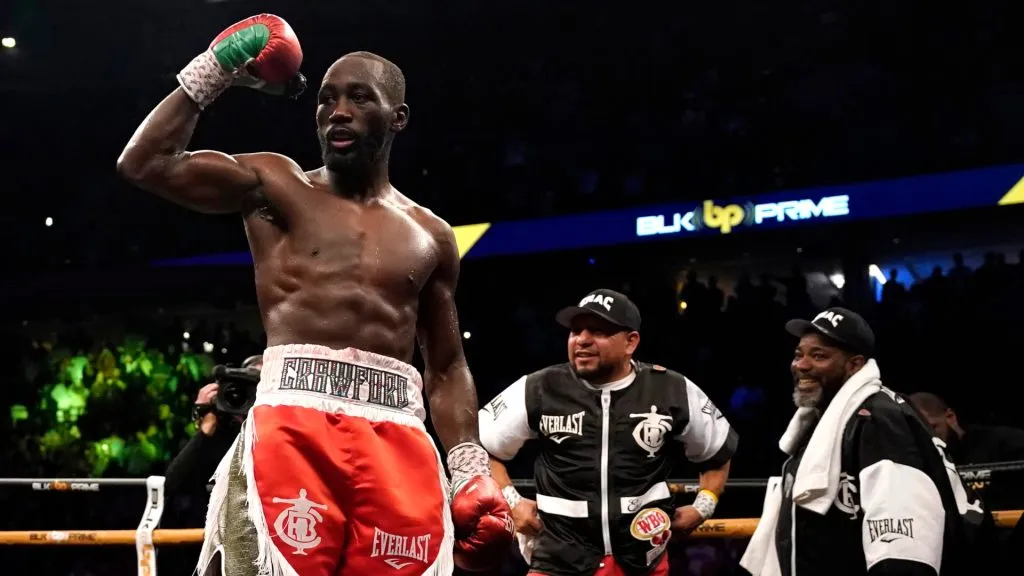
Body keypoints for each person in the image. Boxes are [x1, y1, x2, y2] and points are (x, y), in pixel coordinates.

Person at [116, 13, 513, 576]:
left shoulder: (431, 234)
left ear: (397, 118)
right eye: (326, 99)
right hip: (291, 428)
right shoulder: (276, 185)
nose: (338, 112)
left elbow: (446, 366)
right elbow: (146, 164)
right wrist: (216, 69)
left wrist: (470, 465)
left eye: (359, 98)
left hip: (398, 434)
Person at [478, 288, 738, 576]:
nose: (583, 340)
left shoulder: (671, 389)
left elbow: (717, 452)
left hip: (642, 560)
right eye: (576, 331)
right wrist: (511, 501)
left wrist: (703, 507)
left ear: (630, 342)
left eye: (599, 331)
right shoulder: (540, 387)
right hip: (558, 561)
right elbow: (480, 447)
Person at [740, 307, 986, 576]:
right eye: (799, 355)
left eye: (818, 355)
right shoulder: (826, 421)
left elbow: (901, 540)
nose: (801, 365)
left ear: (854, 365)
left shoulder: (879, 419)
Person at [164, 355, 262, 497]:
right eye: (251, 386)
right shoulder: (220, 431)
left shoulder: (285, 431)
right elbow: (173, 484)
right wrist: (206, 423)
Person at [908, 392, 1024, 466]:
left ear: (950, 417)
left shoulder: (1001, 442)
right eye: (918, 433)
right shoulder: (918, 461)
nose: (928, 437)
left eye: (932, 428)